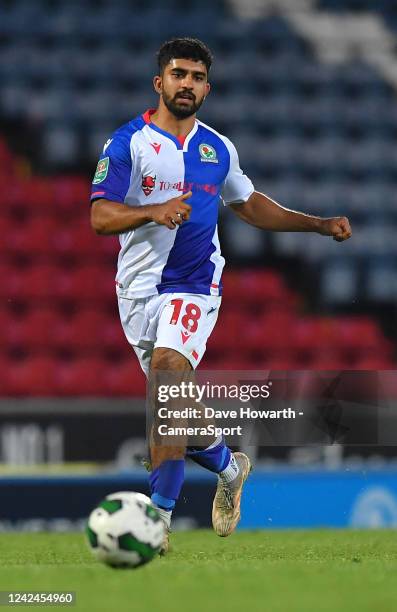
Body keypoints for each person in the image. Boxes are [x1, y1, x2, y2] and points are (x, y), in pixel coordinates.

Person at [90, 37, 352, 552]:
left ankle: (156, 523)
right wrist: (153, 210)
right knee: (177, 404)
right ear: (158, 82)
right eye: (177, 74)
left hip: (194, 284)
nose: (186, 83)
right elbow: (100, 216)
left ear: (207, 87)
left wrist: (318, 225)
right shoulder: (127, 143)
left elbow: (249, 204)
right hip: (137, 290)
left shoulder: (218, 148)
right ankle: (230, 468)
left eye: (196, 76)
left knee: (167, 383)